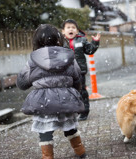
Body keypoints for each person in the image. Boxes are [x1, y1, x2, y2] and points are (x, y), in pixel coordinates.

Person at [16, 24, 86, 159]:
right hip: (66, 98)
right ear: (59, 39)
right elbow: (77, 78)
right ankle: (80, 151)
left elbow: (22, 83)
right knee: (70, 126)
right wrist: (74, 93)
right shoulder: (69, 56)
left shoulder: (32, 60)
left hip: (43, 101)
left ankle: (48, 156)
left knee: (45, 131)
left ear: (37, 41)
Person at [62, 19, 101, 121]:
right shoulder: (60, 42)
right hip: (66, 72)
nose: (71, 29)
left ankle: (84, 111)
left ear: (77, 30)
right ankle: (72, 111)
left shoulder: (81, 40)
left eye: (73, 27)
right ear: (63, 31)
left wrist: (95, 42)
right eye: (68, 27)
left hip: (79, 71)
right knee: (68, 92)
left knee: (81, 91)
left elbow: (89, 50)